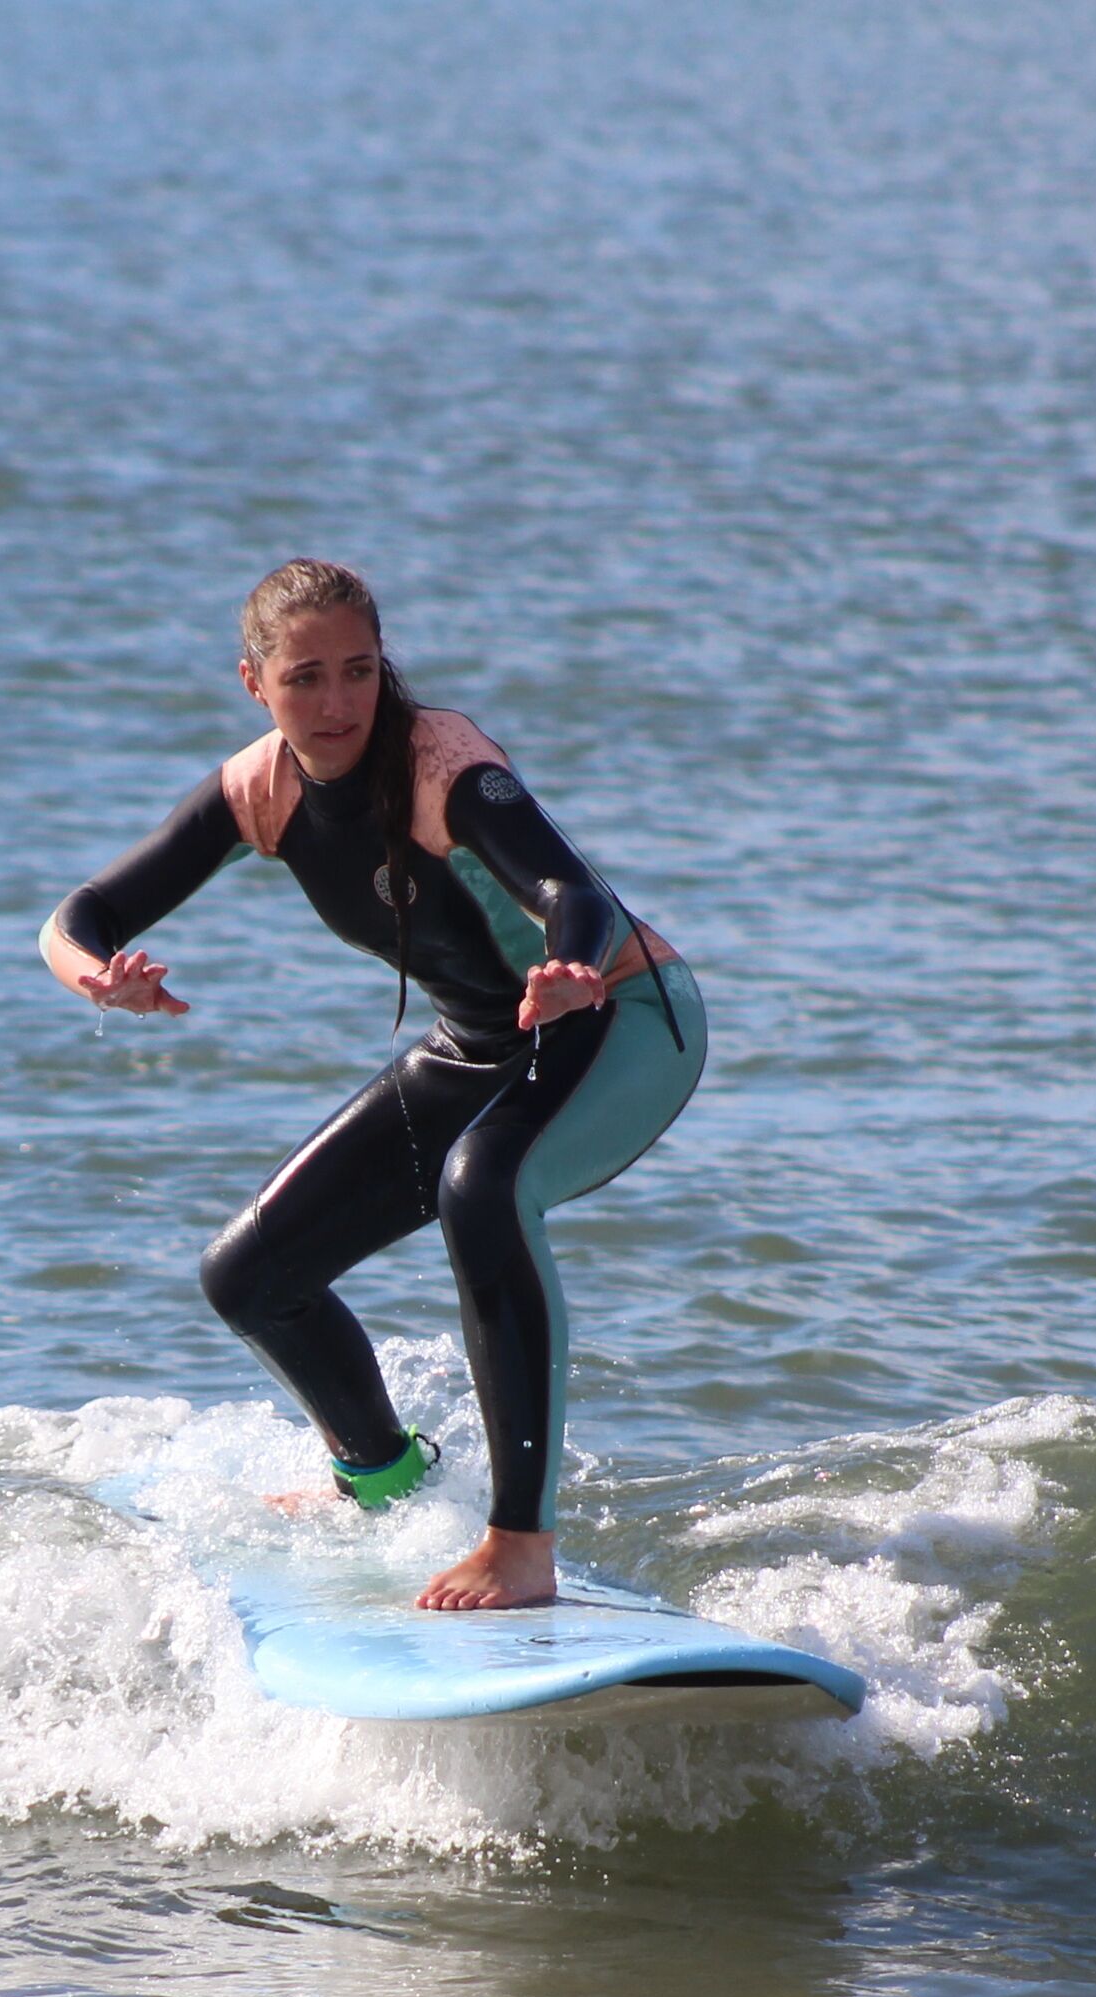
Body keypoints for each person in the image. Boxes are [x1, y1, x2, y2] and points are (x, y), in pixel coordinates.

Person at [38, 560, 706, 1611]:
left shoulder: (443, 763)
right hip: (477, 1046)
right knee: (249, 1275)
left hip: (616, 1021)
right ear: (256, 684)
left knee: (481, 1187)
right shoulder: (258, 789)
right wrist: (99, 979)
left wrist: (572, 965)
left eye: (359, 670)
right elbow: (79, 916)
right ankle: (385, 1481)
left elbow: (563, 885)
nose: (339, 701)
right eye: (307, 678)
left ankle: (520, 1544)